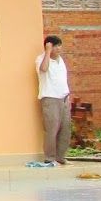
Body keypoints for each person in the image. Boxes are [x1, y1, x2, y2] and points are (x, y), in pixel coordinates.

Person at [35, 35, 71, 167]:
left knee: (65, 129)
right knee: (52, 129)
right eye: (56, 46)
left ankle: (61, 157)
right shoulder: (41, 59)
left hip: (64, 98)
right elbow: (43, 69)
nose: (58, 48)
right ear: (49, 46)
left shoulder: (61, 60)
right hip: (50, 98)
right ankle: (50, 158)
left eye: (59, 45)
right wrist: (48, 52)